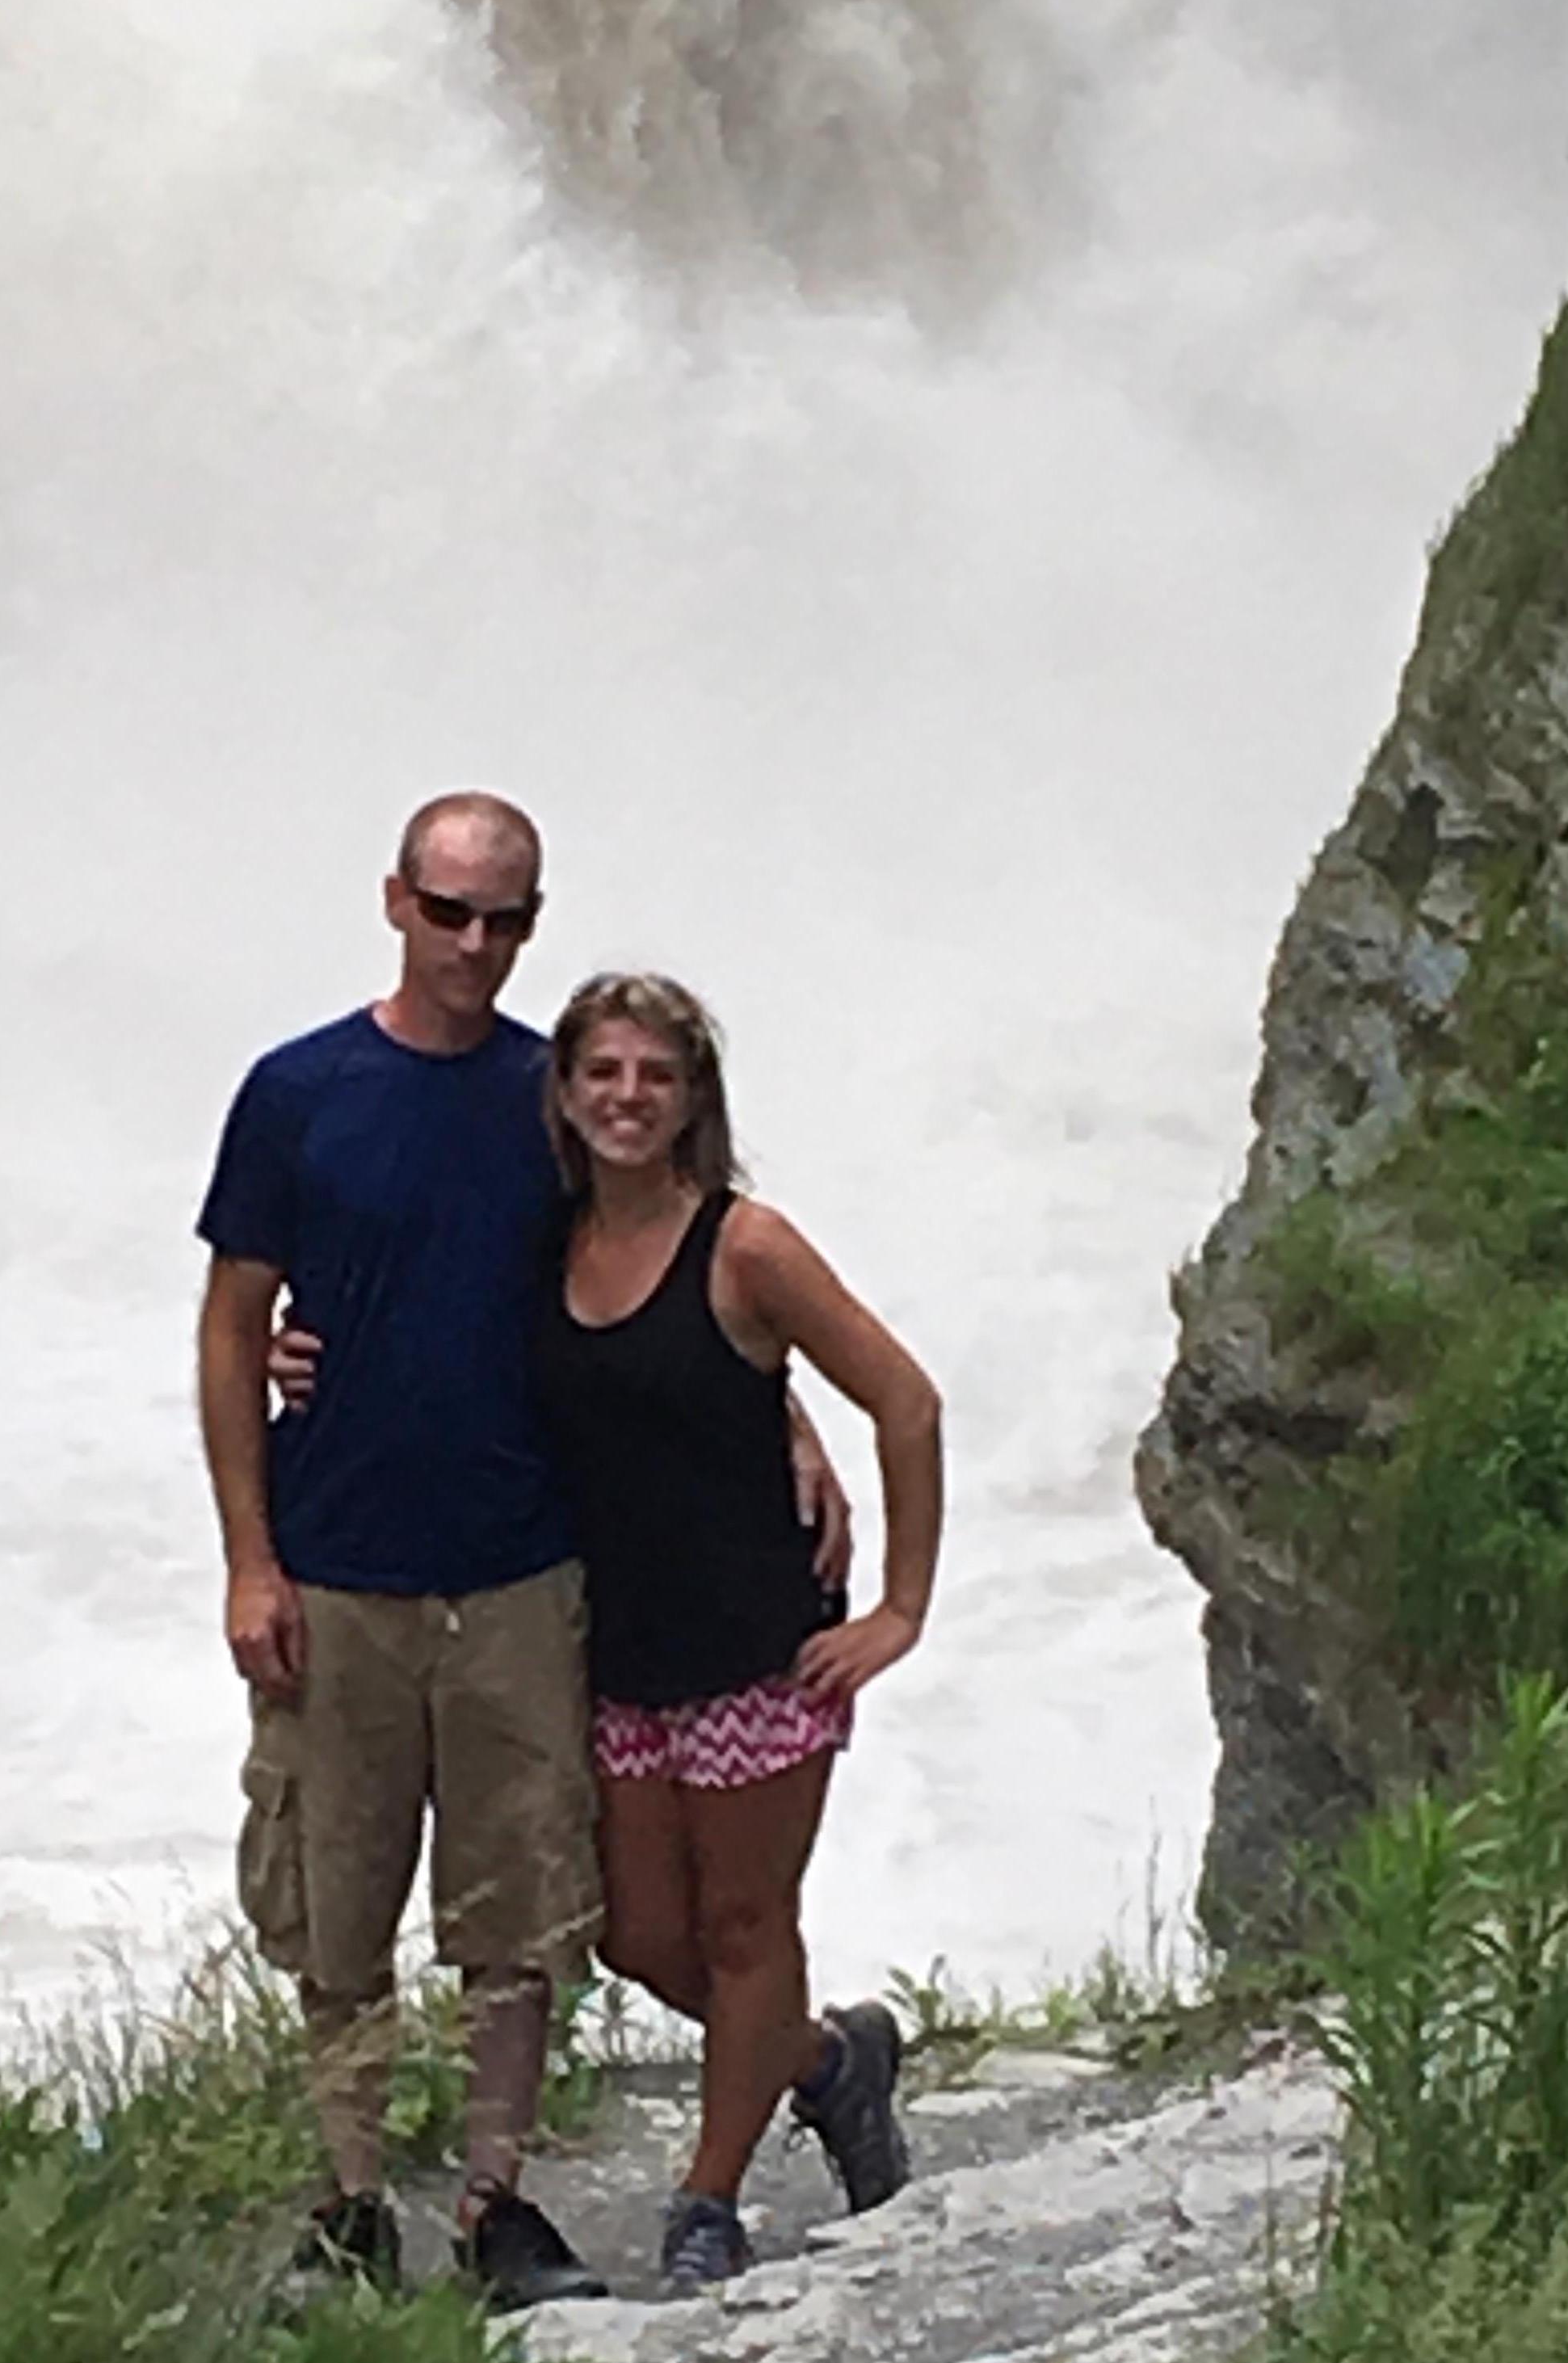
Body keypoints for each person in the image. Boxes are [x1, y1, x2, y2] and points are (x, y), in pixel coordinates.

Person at [195, 792, 612, 2310]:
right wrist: (250, 1560)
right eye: (450, 912)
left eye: (505, 918)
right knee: (336, 1906)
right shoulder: (298, 1092)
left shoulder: (556, 1098)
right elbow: (234, 1325)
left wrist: (791, 1431)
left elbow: (668, 1261)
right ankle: (350, 2200)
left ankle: (496, 2205)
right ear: (394, 903)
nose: (477, 944)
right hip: (340, 1568)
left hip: (515, 1569)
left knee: (519, 1910)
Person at [530, 969, 944, 2291]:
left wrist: (899, 1610)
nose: (628, 1096)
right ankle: (827, 2061)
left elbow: (907, 1400)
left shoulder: (745, 1243)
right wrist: (294, 1354)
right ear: (566, 1089)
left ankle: (705, 2201)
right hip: (625, 1654)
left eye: (656, 1074)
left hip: (761, 1650)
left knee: (747, 1927)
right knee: (638, 1936)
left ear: (694, 1096)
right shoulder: (546, 1241)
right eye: (604, 1071)